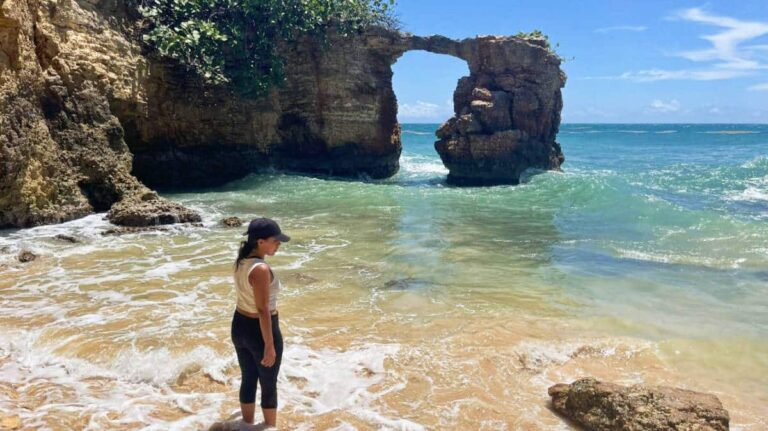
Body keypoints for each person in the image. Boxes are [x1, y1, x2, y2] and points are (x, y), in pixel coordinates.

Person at [224, 217, 289, 431]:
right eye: (275, 241)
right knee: (268, 384)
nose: (278, 244)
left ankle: (247, 425)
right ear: (260, 242)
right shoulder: (260, 269)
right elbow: (262, 310)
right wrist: (269, 345)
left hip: (239, 324)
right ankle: (270, 428)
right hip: (258, 331)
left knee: (248, 378)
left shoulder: (241, 261)